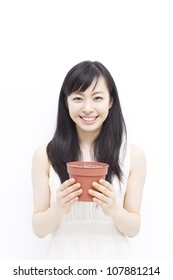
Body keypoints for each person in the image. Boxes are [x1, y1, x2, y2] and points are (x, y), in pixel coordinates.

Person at [32, 60, 146, 259]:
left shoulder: (133, 155)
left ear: (110, 101)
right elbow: (39, 229)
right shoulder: (45, 155)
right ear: (66, 102)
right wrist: (58, 209)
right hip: (63, 262)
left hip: (115, 261)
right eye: (78, 98)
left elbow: (133, 228)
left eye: (97, 98)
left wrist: (114, 211)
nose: (87, 108)